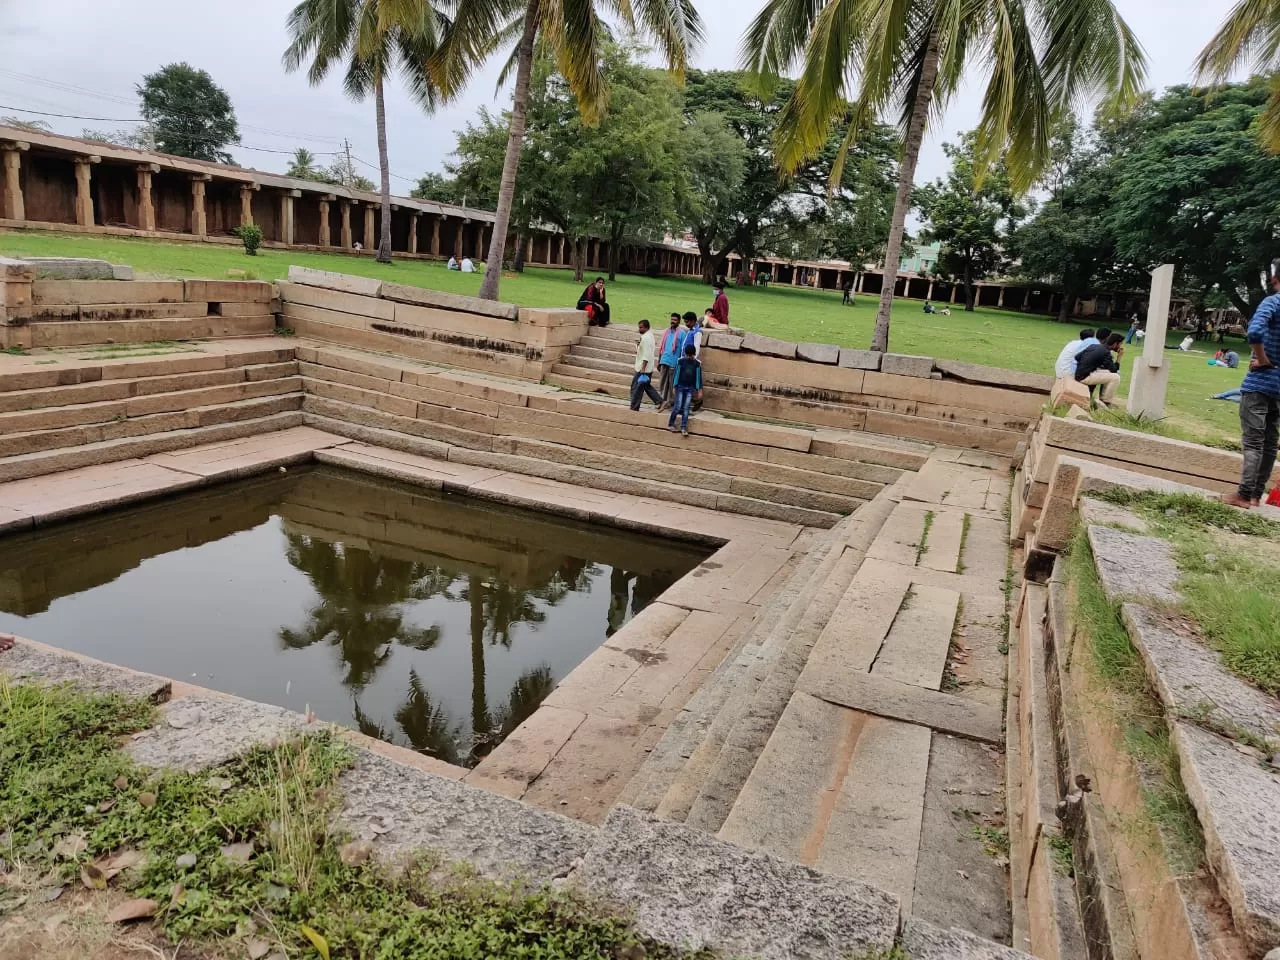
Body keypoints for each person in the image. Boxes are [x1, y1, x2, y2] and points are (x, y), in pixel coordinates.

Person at [1224, 267, 1280, 508]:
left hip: (1260, 382)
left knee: (1254, 441)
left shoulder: (1273, 302)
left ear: (1275, 279)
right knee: (1270, 442)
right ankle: (1256, 495)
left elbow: (1255, 331)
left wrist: (1263, 358)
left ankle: (1244, 495)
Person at [1074, 332, 1125, 408]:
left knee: (1108, 373)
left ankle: (1103, 398)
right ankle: (1106, 402)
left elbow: (1077, 357)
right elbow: (1114, 370)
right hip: (1084, 377)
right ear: (1115, 344)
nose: (1120, 346)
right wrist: (1119, 358)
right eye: (1120, 344)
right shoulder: (1106, 352)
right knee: (1116, 377)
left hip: (1080, 373)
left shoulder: (1093, 346)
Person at [667, 342, 703, 436]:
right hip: (680, 386)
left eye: (690, 355)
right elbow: (677, 374)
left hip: (690, 388)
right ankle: (671, 424)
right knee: (678, 406)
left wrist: (699, 390)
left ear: (694, 355)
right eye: (688, 355)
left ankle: (683, 427)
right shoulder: (680, 361)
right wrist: (675, 386)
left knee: (686, 408)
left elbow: (698, 377)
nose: (689, 357)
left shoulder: (697, 364)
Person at [630, 319, 663, 411]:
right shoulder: (648, 336)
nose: (639, 329)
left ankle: (634, 406)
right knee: (645, 386)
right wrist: (638, 345)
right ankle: (659, 400)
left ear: (646, 327)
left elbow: (646, 355)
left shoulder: (646, 338)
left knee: (636, 388)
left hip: (643, 368)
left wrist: (643, 368)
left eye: (641, 327)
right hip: (645, 367)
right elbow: (643, 351)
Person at [657, 313, 682, 405]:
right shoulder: (667, 331)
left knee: (672, 384)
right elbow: (661, 347)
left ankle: (671, 402)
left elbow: (682, 350)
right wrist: (659, 361)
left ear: (679, 321)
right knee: (662, 383)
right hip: (664, 360)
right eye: (672, 319)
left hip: (674, 362)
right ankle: (661, 401)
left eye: (675, 320)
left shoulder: (681, 333)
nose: (672, 321)